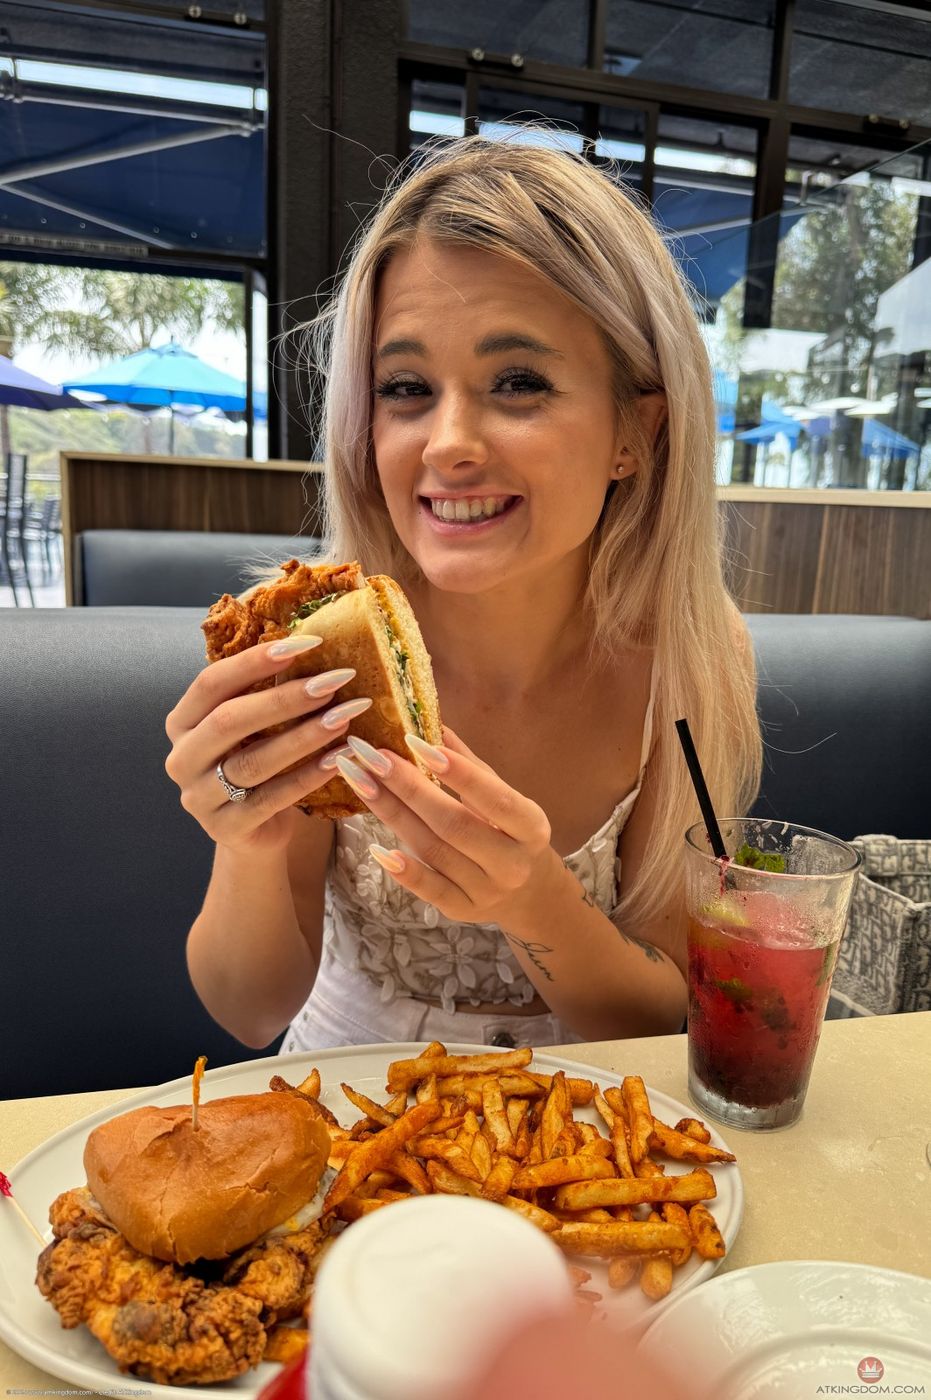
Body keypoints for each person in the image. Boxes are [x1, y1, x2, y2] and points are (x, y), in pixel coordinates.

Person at [165, 135, 761, 1053]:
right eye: (405, 387)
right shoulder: (312, 649)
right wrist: (245, 843)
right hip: (340, 1091)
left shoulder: (690, 655)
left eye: (517, 383)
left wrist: (536, 900)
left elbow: (656, 1017)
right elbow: (250, 1012)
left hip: (588, 1108)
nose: (446, 443)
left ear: (635, 434)